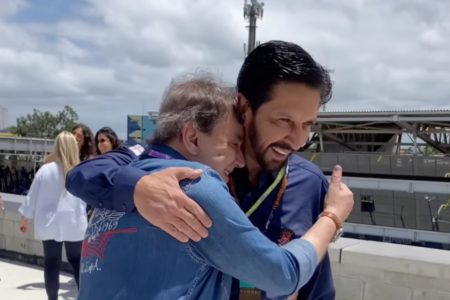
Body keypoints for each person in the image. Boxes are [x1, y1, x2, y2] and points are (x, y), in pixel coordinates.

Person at [67, 40, 342, 299]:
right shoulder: (191, 173)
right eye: (284, 120)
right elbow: (83, 174)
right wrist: (138, 188)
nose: (297, 140)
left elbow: (318, 289)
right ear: (244, 107)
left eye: (308, 125)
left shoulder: (309, 182)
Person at [19, 131, 88, 300]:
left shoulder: (45, 170)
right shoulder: (81, 171)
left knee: (51, 262)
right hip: (74, 222)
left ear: (57, 147)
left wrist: (25, 218)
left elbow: (32, 196)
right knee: (77, 262)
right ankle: (85, 296)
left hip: (49, 222)